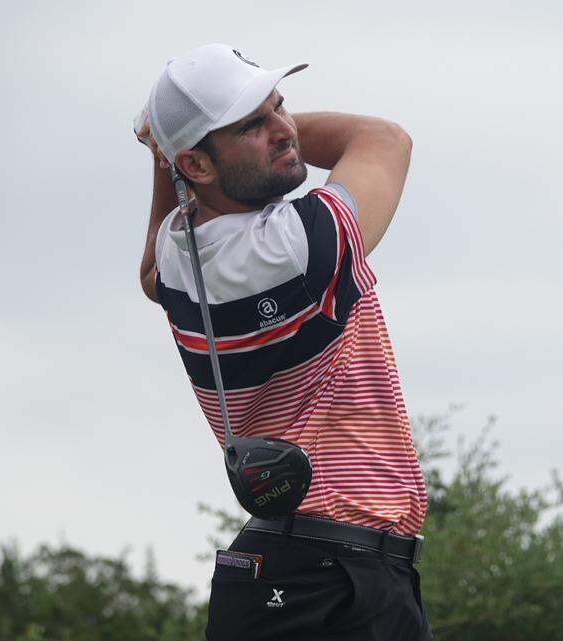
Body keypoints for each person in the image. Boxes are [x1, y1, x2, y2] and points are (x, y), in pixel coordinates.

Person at [134, 43, 431, 641]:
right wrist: (166, 151)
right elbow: (385, 139)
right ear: (196, 166)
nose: (282, 129)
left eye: (281, 107)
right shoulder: (293, 248)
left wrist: (178, 152)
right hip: (326, 575)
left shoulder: (178, 255)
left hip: (308, 569)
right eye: (251, 124)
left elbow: (148, 276)